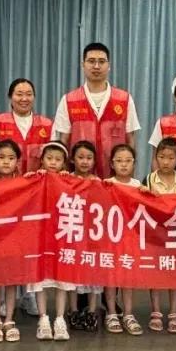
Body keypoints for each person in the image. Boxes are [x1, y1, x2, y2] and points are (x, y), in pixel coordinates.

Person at [53, 42, 141, 178]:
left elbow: (130, 141)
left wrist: (129, 179)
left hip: (114, 179)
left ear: (109, 65)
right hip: (79, 179)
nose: (96, 66)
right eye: (91, 61)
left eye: (101, 61)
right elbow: (64, 142)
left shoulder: (124, 99)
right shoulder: (69, 100)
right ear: (83, 65)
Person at [25, 141, 73, 341]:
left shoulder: (69, 180)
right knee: (39, 279)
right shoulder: (35, 178)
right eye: (49, 158)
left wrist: (69, 181)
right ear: (42, 160)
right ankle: (43, 319)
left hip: (61, 237)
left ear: (64, 163)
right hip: (40, 238)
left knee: (62, 279)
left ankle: (60, 319)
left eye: (58, 159)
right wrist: (31, 179)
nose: (53, 162)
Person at [143, 137, 176, 334]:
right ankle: (155, 311)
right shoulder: (149, 179)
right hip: (155, 233)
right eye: (161, 157)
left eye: (171, 158)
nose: (166, 161)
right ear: (156, 157)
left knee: (174, 273)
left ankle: (173, 312)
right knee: (156, 273)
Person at [103, 144, 143, 336]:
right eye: (119, 161)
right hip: (110, 240)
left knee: (128, 277)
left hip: (130, 239)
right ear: (112, 164)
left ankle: (128, 313)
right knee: (110, 278)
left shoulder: (138, 186)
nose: (124, 165)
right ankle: (111, 313)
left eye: (128, 161)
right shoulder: (106, 184)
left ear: (134, 163)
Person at [0, 140, 23, 343]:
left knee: (11, 282)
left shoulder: (24, 183)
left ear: (17, 161)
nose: (6, 162)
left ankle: (9, 319)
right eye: (1, 157)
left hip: (15, 240)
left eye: (11, 158)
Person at [67, 140, 102, 331]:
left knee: (93, 274)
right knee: (72, 274)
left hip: (93, 236)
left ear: (94, 160)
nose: (85, 161)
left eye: (89, 158)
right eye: (80, 157)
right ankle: (73, 310)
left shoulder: (99, 183)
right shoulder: (65, 179)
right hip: (72, 234)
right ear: (73, 159)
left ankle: (92, 311)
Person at [0, 78, 54, 174]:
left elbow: (54, 156)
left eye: (29, 94)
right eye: (19, 94)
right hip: (6, 180)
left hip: (37, 180)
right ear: (10, 97)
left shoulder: (47, 124)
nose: (24, 99)